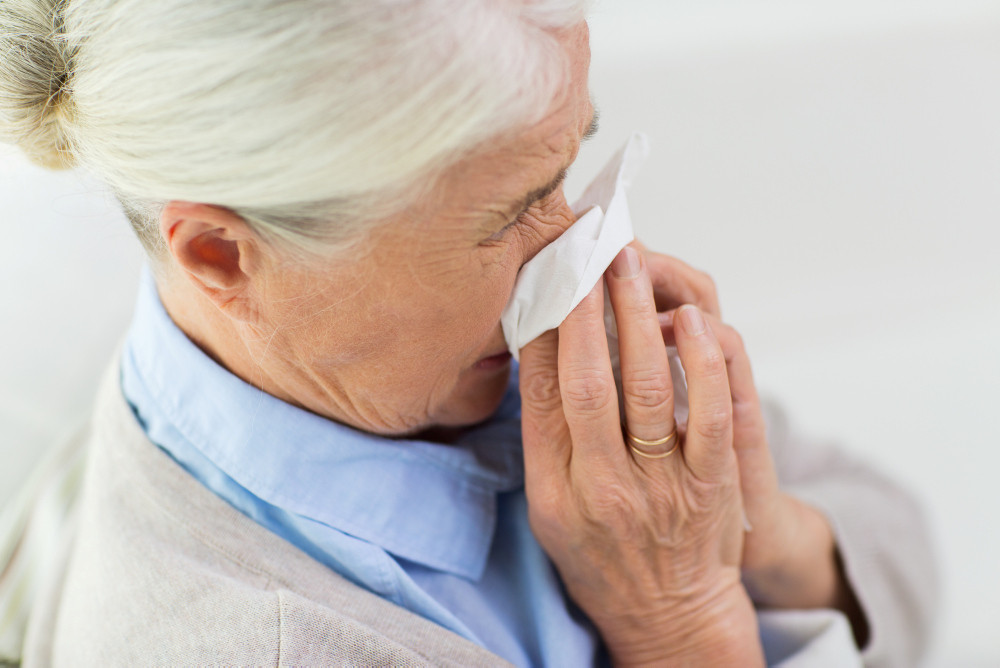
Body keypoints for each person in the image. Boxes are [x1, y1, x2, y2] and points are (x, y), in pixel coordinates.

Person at [0, 1, 936, 665]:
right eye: (509, 217)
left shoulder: (438, 355)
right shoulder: (262, 643)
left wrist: (767, 534)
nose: (580, 255)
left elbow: (903, 551)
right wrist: (682, 620)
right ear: (220, 255)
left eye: (570, 166)